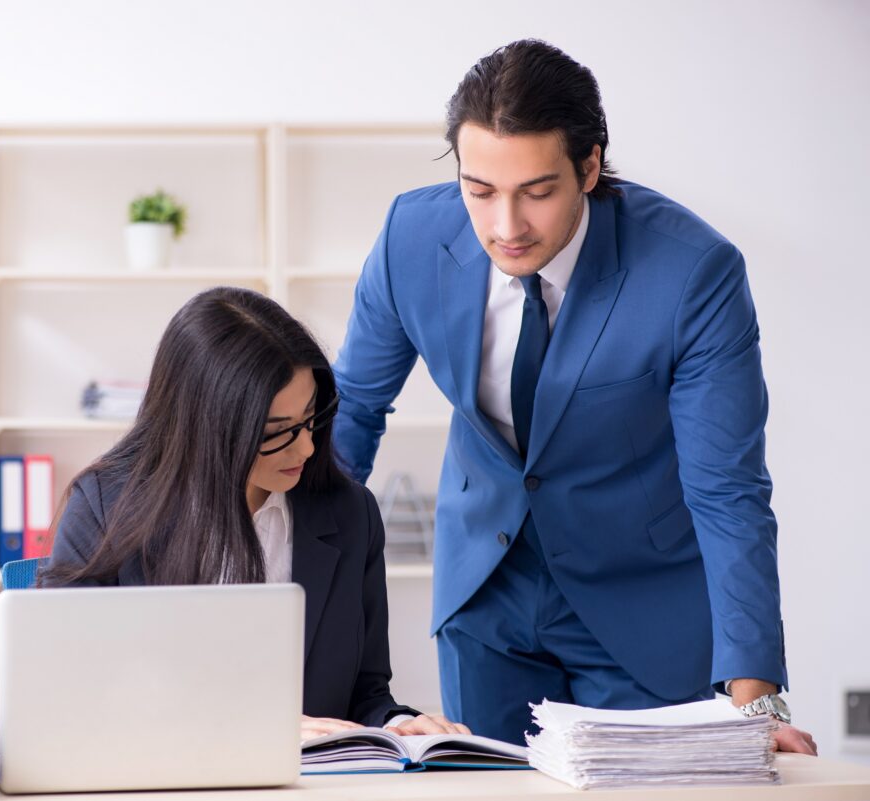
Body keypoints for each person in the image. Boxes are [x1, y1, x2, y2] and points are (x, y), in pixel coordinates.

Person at [331, 39, 816, 753]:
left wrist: (755, 705)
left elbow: (727, 489)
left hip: (640, 604)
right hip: (484, 593)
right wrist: (290, 598)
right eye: (480, 191)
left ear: (589, 166)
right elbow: (353, 414)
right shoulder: (411, 237)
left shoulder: (692, 273)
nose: (506, 226)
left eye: (537, 191)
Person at [38, 286, 468, 742]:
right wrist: (253, 726)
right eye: (278, 432)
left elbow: (366, 692)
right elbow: (69, 689)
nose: (305, 447)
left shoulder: (351, 514)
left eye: (310, 418)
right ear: (208, 426)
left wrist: (399, 724)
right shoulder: (105, 507)